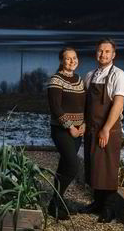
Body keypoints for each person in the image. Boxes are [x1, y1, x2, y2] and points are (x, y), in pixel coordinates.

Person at [81, 38, 124, 223]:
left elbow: (117, 104)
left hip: (108, 130)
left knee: (108, 169)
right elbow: (86, 104)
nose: (103, 54)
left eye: (107, 51)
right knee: (94, 167)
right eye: (100, 51)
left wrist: (106, 129)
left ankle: (109, 209)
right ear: (96, 53)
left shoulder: (119, 76)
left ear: (114, 55)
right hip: (91, 129)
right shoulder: (90, 75)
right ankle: (97, 203)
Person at [47, 47, 86, 220]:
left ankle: (56, 204)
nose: (72, 61)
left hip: (79, 131)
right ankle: (55, 202)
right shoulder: (55, 80)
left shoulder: (80, 80)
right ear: (61, 61)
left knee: (64, 167)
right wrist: (70, 126)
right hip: (62, 131)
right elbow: (55, 107)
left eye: (74, 58)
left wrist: (84, 124)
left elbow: (83, 106)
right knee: (72, 166)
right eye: (68, 58)